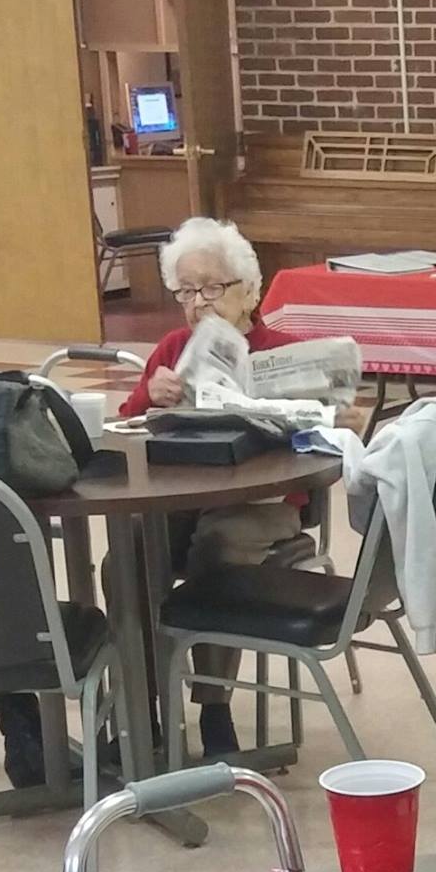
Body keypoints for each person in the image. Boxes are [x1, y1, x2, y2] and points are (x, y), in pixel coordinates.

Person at [121, 215, 305, 759]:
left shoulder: (282, 351)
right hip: (178, 497)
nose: (199, 303)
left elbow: (323, 439)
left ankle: (213, 705)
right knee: (126, 560)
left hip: (260, 504)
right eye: (186, 291)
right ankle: (144, 707)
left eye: (212, 288)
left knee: (218, 549)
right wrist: (149, 398)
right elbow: (125, 428)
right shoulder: (173, 348)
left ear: (249, 291)